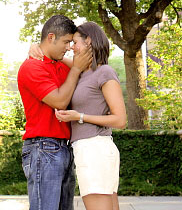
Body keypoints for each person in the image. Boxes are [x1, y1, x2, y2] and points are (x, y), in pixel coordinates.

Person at [17, 15, 92, 210]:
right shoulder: (32, 66)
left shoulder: (59, 65)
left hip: (64, 148)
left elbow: (90, 71)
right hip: (43, 148)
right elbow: (59, 101)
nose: (69, 47)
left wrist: (75, 66)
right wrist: (75, 70)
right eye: (66, 42)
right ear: (51, 37)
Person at [55, 22, 126, 210]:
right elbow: (56, 55)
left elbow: (120, 120)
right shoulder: (84, 73)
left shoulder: (104, 72)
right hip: (91, 149)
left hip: (95, 149)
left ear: (89, 42)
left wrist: (79, 116)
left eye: (75, 42)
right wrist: (36, 47)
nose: (71, 47)